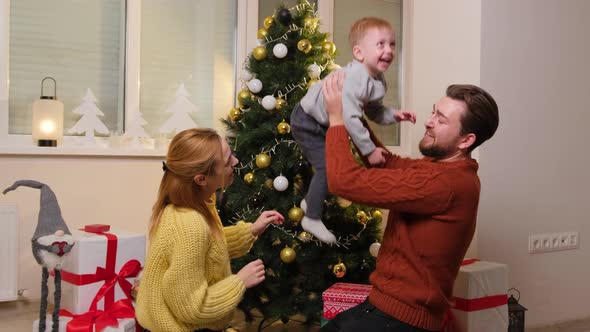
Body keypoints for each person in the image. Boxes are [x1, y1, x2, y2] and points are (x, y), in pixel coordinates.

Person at [320, 72, 499, 331]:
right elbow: (386, 163)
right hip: (383, 308)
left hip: (400, 321)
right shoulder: (439, 168)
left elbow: (342, 182)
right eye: (433, 112)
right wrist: (351, 113)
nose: (428, 121)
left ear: (466, 140)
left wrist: (336, 120)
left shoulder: (447, 184)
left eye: (441, 119)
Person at [135, 128, 284, 332]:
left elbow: (209, 248)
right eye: (227, 160)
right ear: (201, 179)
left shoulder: (197, 203)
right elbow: (193, 308)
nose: (236, 162)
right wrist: (239, 281)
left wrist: (251, 231)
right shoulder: (190, 225)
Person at [291, 17, 416, 244]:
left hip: (325, 122)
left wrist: (394, 115)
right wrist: (369, 151)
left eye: (392, 44)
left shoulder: (377, 81)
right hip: (307, 120)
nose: (388, 50)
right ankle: (311, 217)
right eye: (380, 44)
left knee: (330, 166)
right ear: (359, 53)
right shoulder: (356, 78)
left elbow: (374, 111)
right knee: (329, 168)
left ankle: (311, 201)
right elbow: (350, 117)